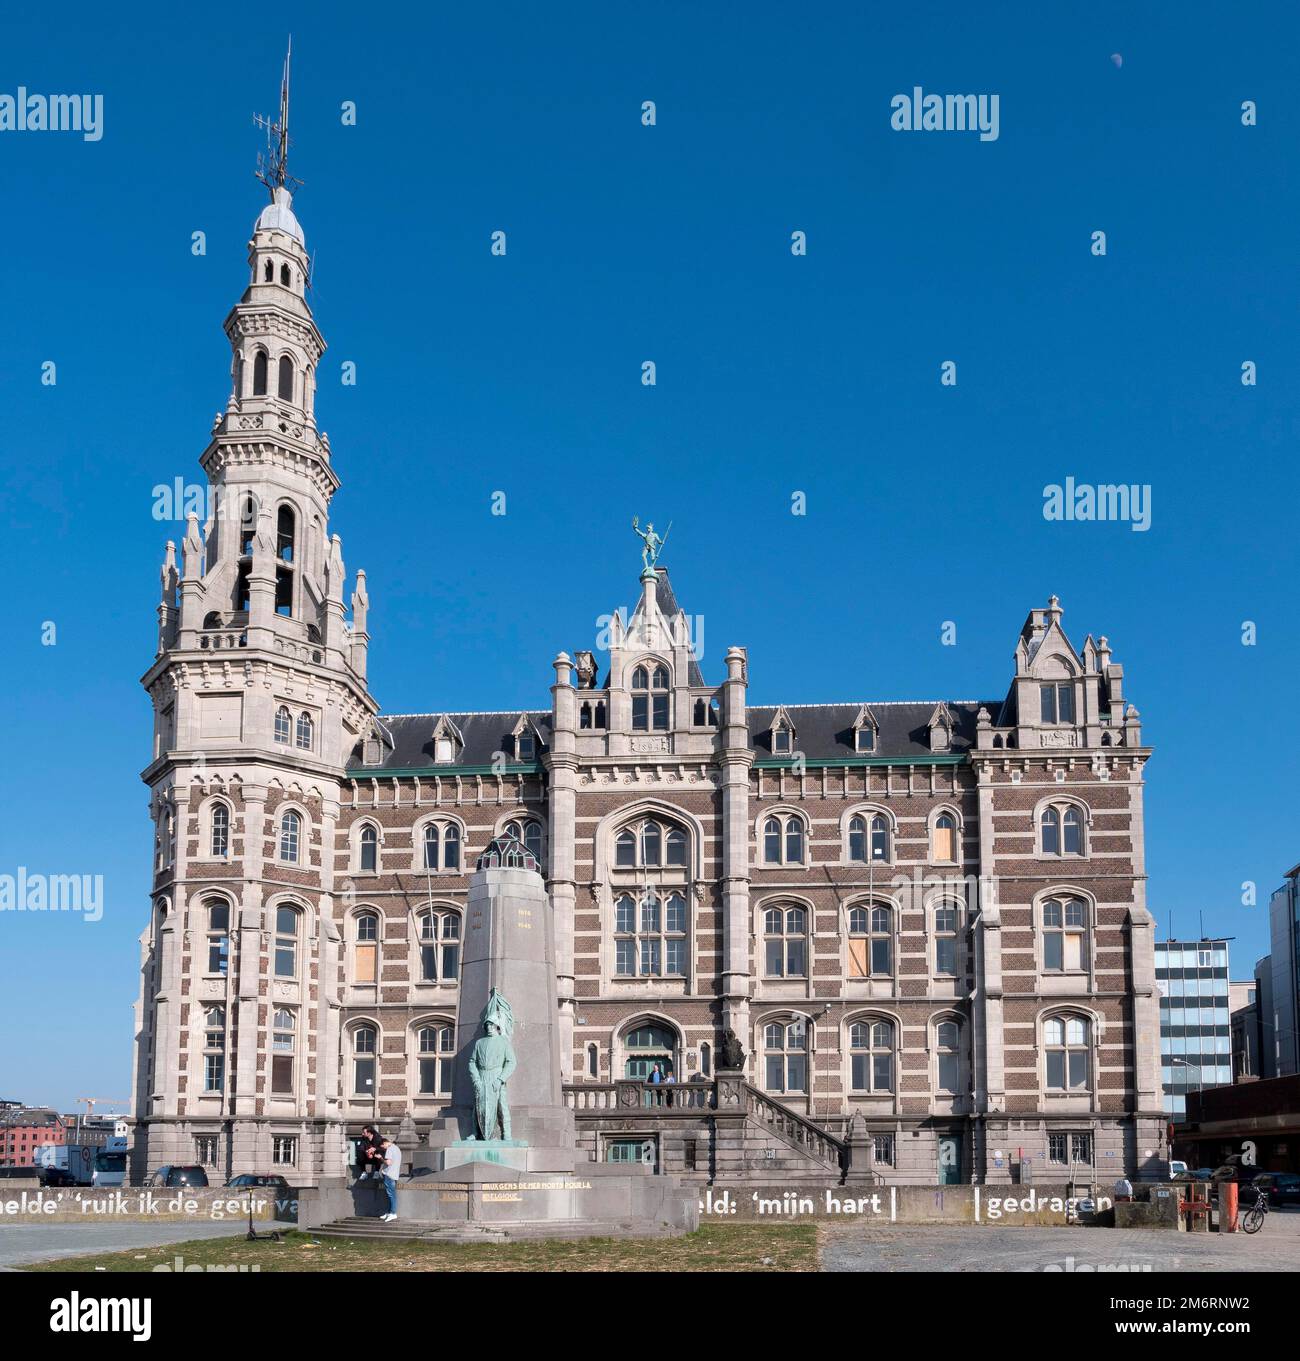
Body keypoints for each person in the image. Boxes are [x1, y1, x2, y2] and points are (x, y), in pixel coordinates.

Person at [379, 1136, 402, 1222]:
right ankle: (390, 1212)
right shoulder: (397, 1148)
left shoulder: (389, 1149)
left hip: (389, 1175)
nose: (384, 1148)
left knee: (391, 1195)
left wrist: (381, 1158)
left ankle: (393, 1213)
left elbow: (388, 1162)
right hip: (394, 1174)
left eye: (383, 1146)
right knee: (391, 1194)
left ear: (385, 1143)